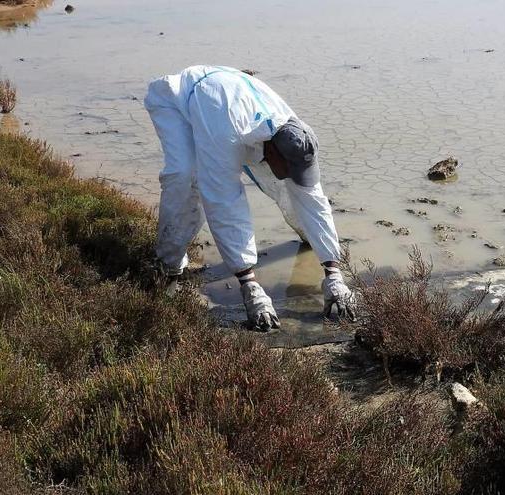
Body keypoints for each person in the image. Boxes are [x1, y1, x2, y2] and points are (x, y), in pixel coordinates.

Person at [144, 65, 355, 331]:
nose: (292, 173)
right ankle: (169, 264)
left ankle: (311, 242)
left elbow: (313, 198)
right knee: (186, 177)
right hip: (183, 104)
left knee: (289, 185)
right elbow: (223, 200)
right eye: (286, 165)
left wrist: (334, 272)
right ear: (272, 152)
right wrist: (249, 282)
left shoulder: (293, 133)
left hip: (236, 102)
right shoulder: (225, 132)